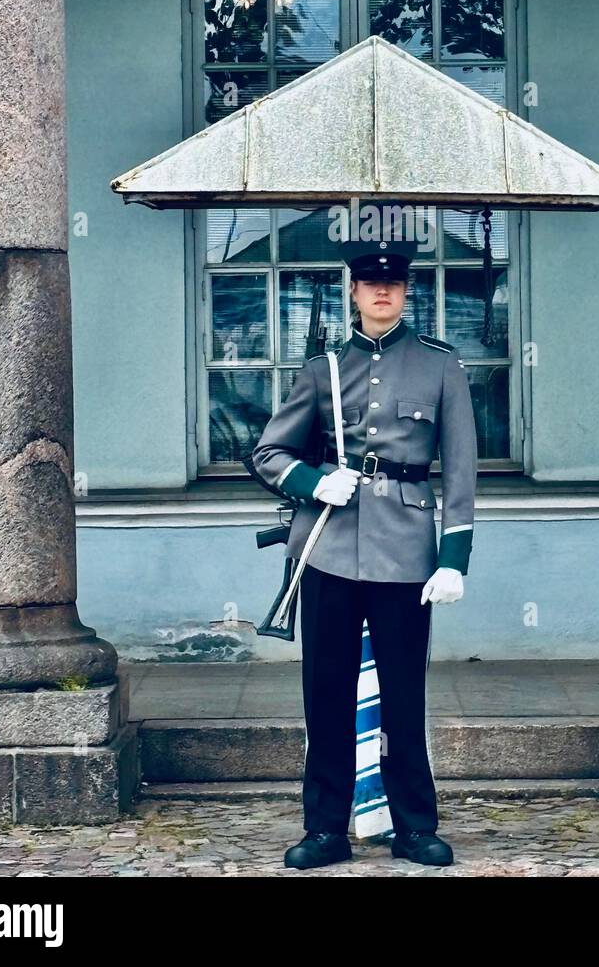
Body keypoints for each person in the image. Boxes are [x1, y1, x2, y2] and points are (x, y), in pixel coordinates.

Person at [252, 235, 477, 869]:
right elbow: (270, 453)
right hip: (328, 550)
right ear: (353, 292)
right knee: (325, 695)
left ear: (406, 293)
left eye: (395, 285)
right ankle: (325, 830)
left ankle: (413, 826)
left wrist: (454, 556)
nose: (383, 292)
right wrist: (313, 481)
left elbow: (460, 470)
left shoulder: (440, 365)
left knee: (405, 695)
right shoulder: (323, 367)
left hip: (407, 552)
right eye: (371, 284)